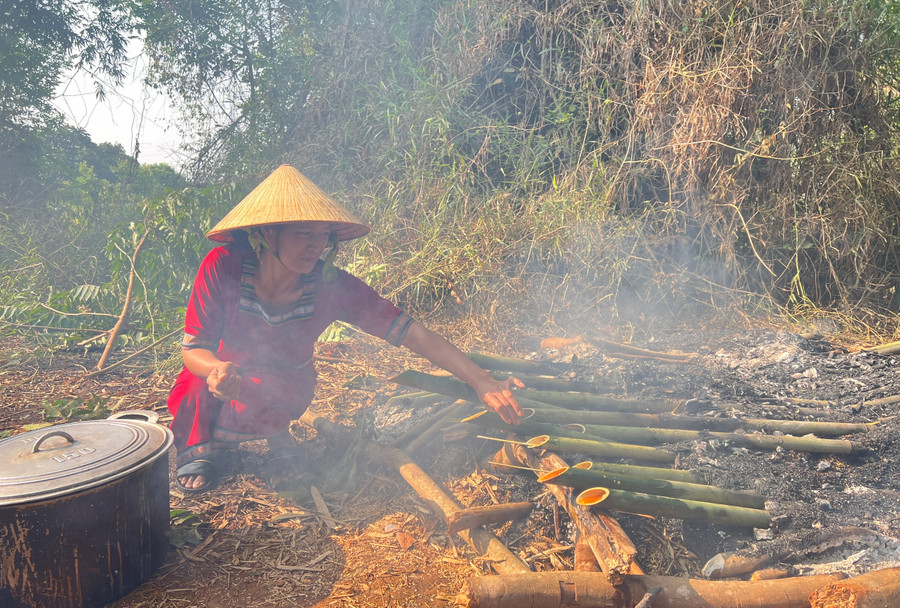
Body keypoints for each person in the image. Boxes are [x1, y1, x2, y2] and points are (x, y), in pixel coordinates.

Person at [168, 164, 524, 493]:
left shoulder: (331, 285)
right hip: (223, 371)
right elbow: (193, 347)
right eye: (302, 233)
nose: (315, 246)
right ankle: (201, 447)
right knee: (190, 387)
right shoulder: (224, 265)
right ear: (266, 233)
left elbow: (409, 332)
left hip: (285, 381)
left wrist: (480, 380)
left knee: (265, 393)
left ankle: (279, 436)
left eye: (323, 236)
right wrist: (217, 371)